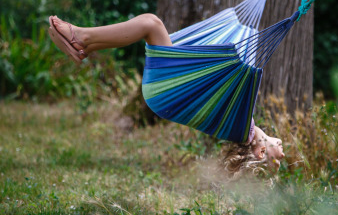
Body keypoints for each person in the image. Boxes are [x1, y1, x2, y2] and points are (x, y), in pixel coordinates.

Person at [48, 14, 285, 174]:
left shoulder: (241, 130)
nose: (283, 152)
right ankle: (81, 47)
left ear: (262, 151)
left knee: (151, 24)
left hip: (170, 91)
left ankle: (82, 36)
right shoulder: (242, 126)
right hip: (166, 96)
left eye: (278, 157)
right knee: (150, 26)